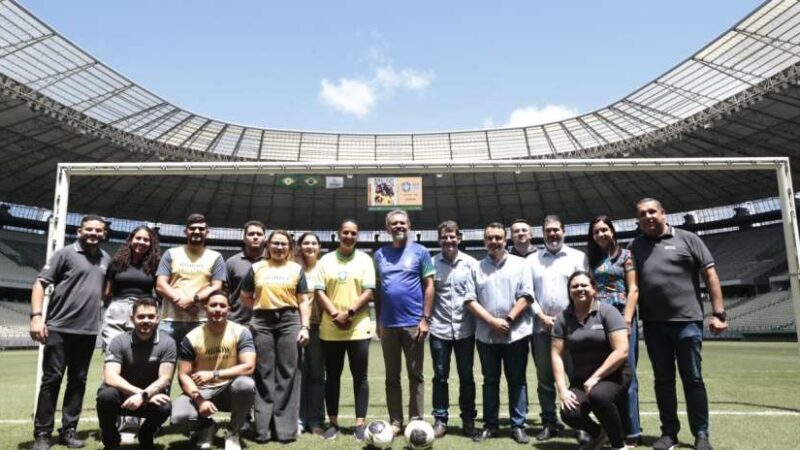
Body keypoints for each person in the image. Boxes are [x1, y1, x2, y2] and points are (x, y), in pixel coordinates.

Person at [628, 198, 728, 450]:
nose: (648, 216)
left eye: (652, 211)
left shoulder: (688, 239)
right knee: (663, 381)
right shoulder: (634, 246)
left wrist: (719, 314)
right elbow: (631, 286)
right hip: (654, 325)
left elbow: (710, 275)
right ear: (637, 220)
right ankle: (669, 433)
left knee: (693, 379)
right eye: (642, 214)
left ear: (663, 213)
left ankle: (701, 434)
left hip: (688, 323)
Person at [29, 214, 111, 450]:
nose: (94, 233)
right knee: (51, 380)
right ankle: (43, 433)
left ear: (104, 234)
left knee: (78, 382)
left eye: (99, 230)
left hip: (88, 332)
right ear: (79, 231)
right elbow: (40, 283)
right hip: (59, 329)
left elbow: (106, 289)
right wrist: (36, 317)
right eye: (89, 229)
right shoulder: (65, 254)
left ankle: (69, 431)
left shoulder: (106, 259)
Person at [464, 222, 534, 444]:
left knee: (517, 380)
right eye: (490, 238)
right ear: (484, 241)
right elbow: (470, 300)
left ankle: (518, 425)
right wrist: (492, 322)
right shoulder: (475, 268)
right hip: (486, 336)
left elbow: (527, 296)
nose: (494, 241)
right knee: (490, 381)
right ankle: (490, 425)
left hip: (516, 333)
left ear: (506, 240)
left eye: (498, 238)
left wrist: (508, 320)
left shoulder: (521, 265)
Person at [240, 230, 311, 443]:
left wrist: (305, 327)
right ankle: (263, 429)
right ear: (268, 246)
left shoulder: (296, 269)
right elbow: (245, 296)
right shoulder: (257, 268)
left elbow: (303, 301)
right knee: (263, 373)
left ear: (289, 247)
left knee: (288, 373)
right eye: (275, 244)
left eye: (283, 244)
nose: (279, 248)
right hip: (262, 322)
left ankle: (285, 430)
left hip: (290, 321)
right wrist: (260, 310)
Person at [553, 271, 631, 450]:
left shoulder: (608, 312)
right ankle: (599, 434)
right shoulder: (563, 318)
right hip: (582, 379)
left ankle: (619, 445)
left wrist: (596, 378)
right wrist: (562, 389)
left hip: (615, 375)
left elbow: (622, 350)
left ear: (594, 289)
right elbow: (556, 355)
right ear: (569, 291)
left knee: (598, 396)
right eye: (574, 286)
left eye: (584, 285)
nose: (579, 289)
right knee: (569, 411)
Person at [373, 209, 435, 435]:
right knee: (392, 377)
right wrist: (378, 321)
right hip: (388, 325)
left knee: (415, 375)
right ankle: (396, 422)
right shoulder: (379, 255)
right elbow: (378, 290)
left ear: (409, 225)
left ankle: (416, 420)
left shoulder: (421, 252)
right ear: (387, 228)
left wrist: (425, 319)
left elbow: (429, 286)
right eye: (394, 223)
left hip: (413, 324)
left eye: (402, 222)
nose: (398, 226)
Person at [172, 290, 256, 450]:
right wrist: (199, 400)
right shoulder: (192, 337)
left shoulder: (241, 332)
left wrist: (213, 374)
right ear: (205, 308)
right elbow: (183, 375)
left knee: (246, 384)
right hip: (202, 390)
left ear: (228, 310)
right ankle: (207, 427)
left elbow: (249, 366)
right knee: (179, 418)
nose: (218, 309)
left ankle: (233, 433)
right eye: (213, 305)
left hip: (230, 389)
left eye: (222, 306)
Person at [531, 215, 589, 442]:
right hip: (542, 329)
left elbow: (584, 291)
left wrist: (568, 318)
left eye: (556, 230)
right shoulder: (532, 260)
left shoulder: (578, 257)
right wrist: (541, 316)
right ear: (543, 233)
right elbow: (528, 293)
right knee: (545, 379)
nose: (552, 234)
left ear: (563, 231)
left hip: (572, 329)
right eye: (548, 231)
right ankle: (549, 422)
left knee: (576, 377)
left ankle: (580, 424)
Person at [315, 220, 375, 441]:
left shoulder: (365, 260)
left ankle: (360, 424)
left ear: (357, 236)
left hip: (358, 328)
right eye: (345, 232)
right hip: (331, 329)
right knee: (332, 376)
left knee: (360, 377)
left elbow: (369, 292)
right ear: (338, 234)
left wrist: (348, 313)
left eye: (353, 233)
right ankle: (333, 423)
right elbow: (319, 292)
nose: (349, 236)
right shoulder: (325, 260)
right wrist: (335, 315)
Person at [587, 215, 641, 444]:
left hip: (621, 316)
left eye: (604, 230)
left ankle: (632, 431)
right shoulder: (591, 259)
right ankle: (612, 430)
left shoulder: (626, 255)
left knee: (627, 374)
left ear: (612, 231)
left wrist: (627, 320)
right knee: (607, 375)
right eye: (596, 231)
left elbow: (633, 289)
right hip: (600, 318)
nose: (601, 234)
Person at [96, 297, 175, 450]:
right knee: (106, 396)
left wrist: (144, 396)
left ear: (157, 318)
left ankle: (146, 434)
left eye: (150, 316)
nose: (146, 321)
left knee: (164, 406)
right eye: (141, 316)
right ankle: (110, 439)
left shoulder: (167, 342)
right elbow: (110, 377)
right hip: (124, 396)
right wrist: (141, 394)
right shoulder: (119, 341)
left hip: (149, 396)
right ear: (132, 318)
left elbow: (165, 378)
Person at [429, 220, 478, 438]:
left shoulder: (472, 264)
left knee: (466, 376)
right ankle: (440, 420)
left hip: (465, 330)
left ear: (459, 238)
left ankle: (468, 420)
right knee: (440, 376)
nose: (448, 240)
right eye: (444, 237)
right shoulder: (430, 264)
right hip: (439, 330)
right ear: (439, 240)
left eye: (452, 236)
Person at [155, 213, 226, 346]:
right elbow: (160, 284)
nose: (197, 231)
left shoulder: (216, 257)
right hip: (170, 320)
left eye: (201, 229)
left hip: (201, 320)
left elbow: (217, 286)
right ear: (185, 231)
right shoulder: (171, 253)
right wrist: (180, 302)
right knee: (166, 358)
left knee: (200, 359)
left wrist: (193, 300)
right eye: (192, 228)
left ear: (207, 232)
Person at [102, 226, 160, 349]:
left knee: (139, 352)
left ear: (151, 244)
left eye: (146, 240)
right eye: (138, 238)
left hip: (143, 311)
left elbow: (159, 292)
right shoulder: (116, 263)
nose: (141, 242)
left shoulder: (154, 265)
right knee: (114, 350)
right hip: (117, 310)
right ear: (131, 240)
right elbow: (107, 292)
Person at [296, 231, 326, 436]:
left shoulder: (325, 267)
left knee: (316, 375)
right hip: (295, 328)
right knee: (298, 375)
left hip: (320, 328)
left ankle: (316, 420)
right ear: (299, 247)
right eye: (305, 243)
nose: (310, 246)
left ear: (319, 247)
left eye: (314, 243)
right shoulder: (292, 268)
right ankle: (298, 420)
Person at [225, 220, 266, 326]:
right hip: (237, 321)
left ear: (264, 238)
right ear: (244, 237)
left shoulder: (272, 262)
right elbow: (224, 291)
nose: (255, 237)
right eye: (251, 234)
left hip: (265, 323)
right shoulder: (232, 262)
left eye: (259, 234)